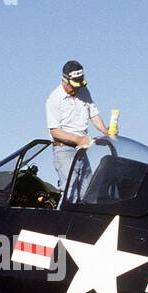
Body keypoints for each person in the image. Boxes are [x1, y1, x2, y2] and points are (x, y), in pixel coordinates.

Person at [45, 60, 108, 198]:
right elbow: (54, 131)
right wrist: (78, 139)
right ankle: (61, 218)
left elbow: (94, 114)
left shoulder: (83, 91)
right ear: (65, 80)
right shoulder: (54, 99)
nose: (77, 89)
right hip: (64, 149)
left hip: (82, 149)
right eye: (74, 85)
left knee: (88, 188)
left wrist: (105, 130)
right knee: (70, 189)